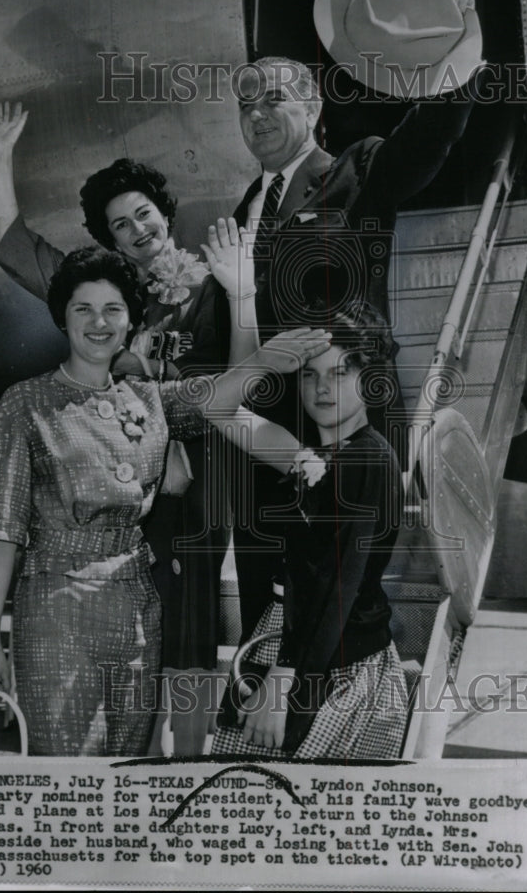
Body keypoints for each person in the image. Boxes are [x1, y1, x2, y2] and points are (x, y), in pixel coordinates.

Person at [0, 242, 330, 756]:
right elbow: (2, 526)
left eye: (113, 309)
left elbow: (221, 396)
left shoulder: (148, 399)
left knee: (129, 768)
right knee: (72, 780)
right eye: (83, 309)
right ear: (62, 318)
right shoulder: (24, 404)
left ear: (131, 320)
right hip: (55, 613)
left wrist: (266, 358)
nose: (99, 322)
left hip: (138, 610)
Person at [0, 105, 257, 747]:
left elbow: (244, 382)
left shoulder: (219, 278)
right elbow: (18, 245)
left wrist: (240, 292)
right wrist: (1, 155)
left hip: (208, 479)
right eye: (119, 225)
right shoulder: (108, 298)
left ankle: (188, 757)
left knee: (190, 629)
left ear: (166, 213)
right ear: (107, 241)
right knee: (145, 629)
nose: (137, 230)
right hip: (132, 488)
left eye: (143, 214)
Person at [229, 0, 483, 640]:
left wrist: (455, 47)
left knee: (340, 610)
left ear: (313, 106)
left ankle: (343, 730)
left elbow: (423, 142)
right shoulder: (243, 209)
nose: (255, 113)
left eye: (273, 98)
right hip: (263, 437)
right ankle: (269, 726)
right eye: (244, 103)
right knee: (265, 608)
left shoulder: (357, 169)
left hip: (344, 427)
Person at [210, 301, 407, 759]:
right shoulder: (313, 461)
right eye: (308, 374)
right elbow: (217, 409)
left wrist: (283, 682)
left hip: (329, 666)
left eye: (340, 374)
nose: (322, 389)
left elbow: (333, 582)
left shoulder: (365, 459)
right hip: (296, 652)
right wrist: (262, 361)